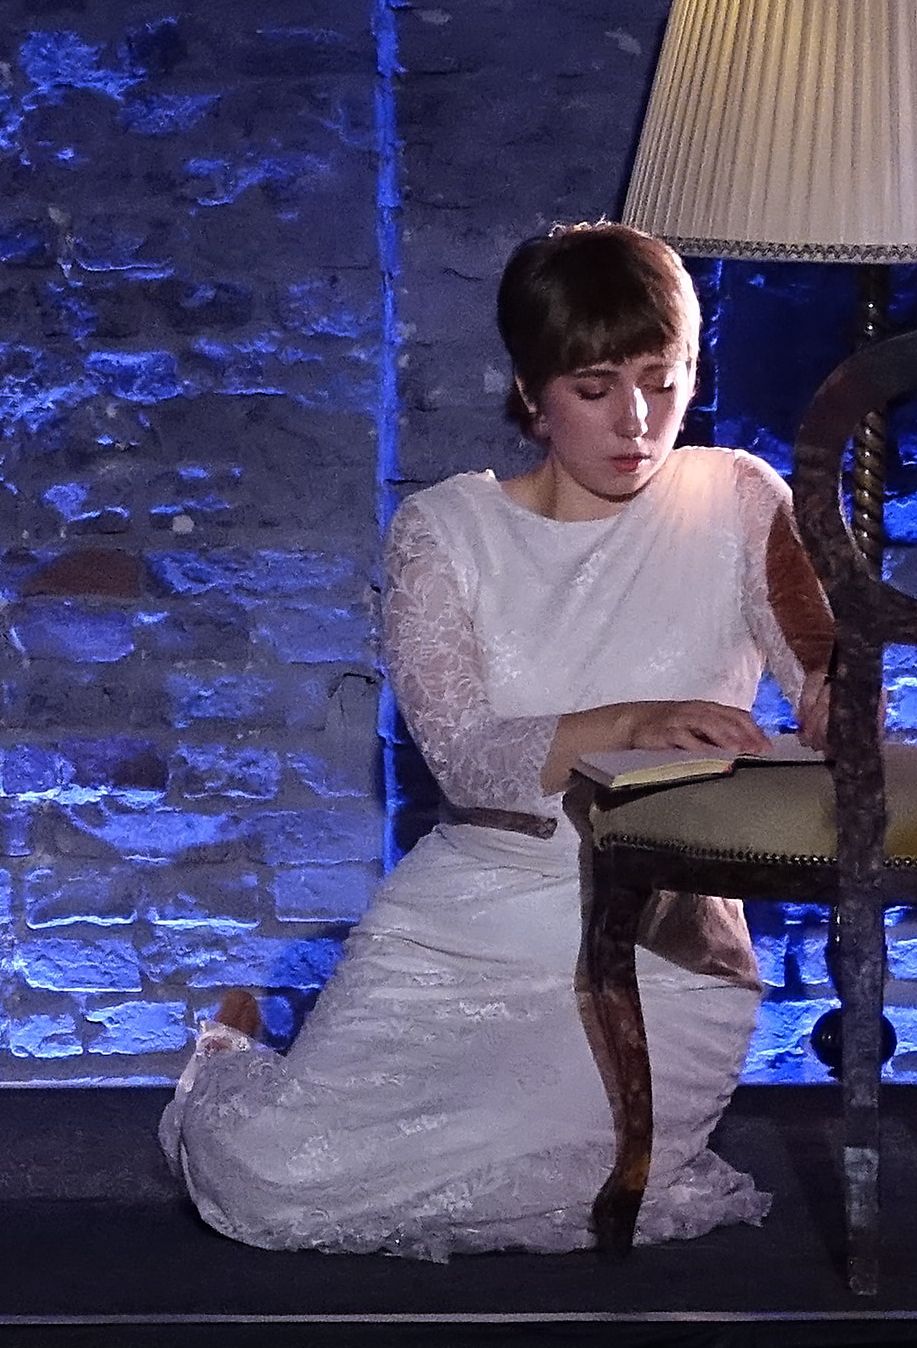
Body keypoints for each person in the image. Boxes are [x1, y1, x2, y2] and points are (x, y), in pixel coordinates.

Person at [164, 222, 812, 1256]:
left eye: (664, 381)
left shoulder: (735, 497)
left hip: (661, 939)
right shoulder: (444, 531)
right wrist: (632, 720)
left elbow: (821, 670)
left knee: (576, 1183)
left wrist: (838, 699)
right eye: (596, 388)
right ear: (531, 392)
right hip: (468, 917)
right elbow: (468, 760)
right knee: (276, 1183)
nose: (639, 421)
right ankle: (227, 1064)